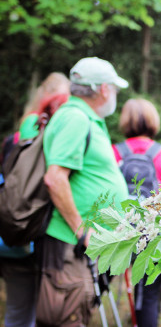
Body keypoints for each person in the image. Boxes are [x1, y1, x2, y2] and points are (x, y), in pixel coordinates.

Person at [38, 57, 129, 326]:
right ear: (103, 89)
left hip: (76, 245)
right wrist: (83, 232)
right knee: (67, 317)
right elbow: (55, 178)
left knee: (77, 313)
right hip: (70, 243)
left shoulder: (83, 118)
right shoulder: (76, 118)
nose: (115, 95)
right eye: (114, 88)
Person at [0, 72, 70, 327]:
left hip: (12, 232)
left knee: (18, 311)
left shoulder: (15, 137)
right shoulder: (56, 133)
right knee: (41, 313)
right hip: (42, 236)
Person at [112, 98, 161, 327]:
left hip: (118, 233)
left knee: (97, 284)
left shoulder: (115, 151)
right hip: (153, 233)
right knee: (148, 295)